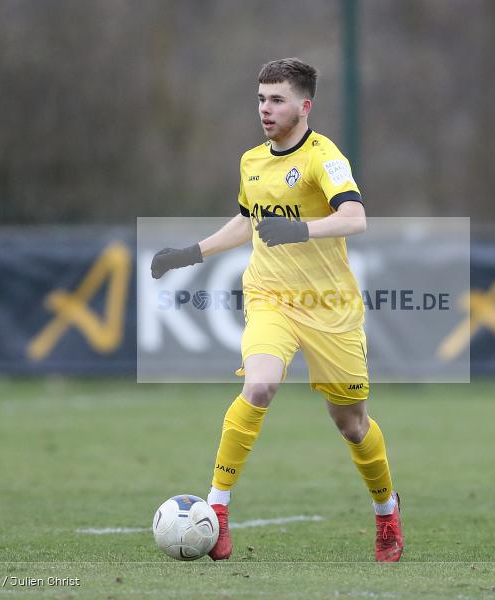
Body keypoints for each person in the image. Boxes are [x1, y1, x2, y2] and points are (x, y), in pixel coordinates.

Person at [150, 58, 403, 562]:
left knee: (352, 424)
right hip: (270, 297)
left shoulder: (323, 157)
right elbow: (247, 222)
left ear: (304, 106)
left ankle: (386, 512)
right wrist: (188, 254)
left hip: (329, 307)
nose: (266, 109)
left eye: (277, 100)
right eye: (262, 99)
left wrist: (301, 229)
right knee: (260, 385)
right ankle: (218, 510)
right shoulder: (251, 161)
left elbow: (355, 217)